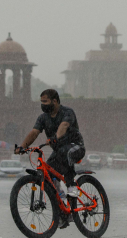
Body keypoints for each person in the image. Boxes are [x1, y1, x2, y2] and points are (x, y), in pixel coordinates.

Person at [15, 89, 85, 227]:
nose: (43, 105)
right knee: (47, 175)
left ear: (55, 101)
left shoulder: (67, 112)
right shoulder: (42, 118)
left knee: (66, 153)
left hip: (75, 146)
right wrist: (23, 147)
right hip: (59, 151)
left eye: (45, 102)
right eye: (41, 102)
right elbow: (34, 132)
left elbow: (63, 126)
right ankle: (63, 209)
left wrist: (55, 138)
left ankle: (72, 187)